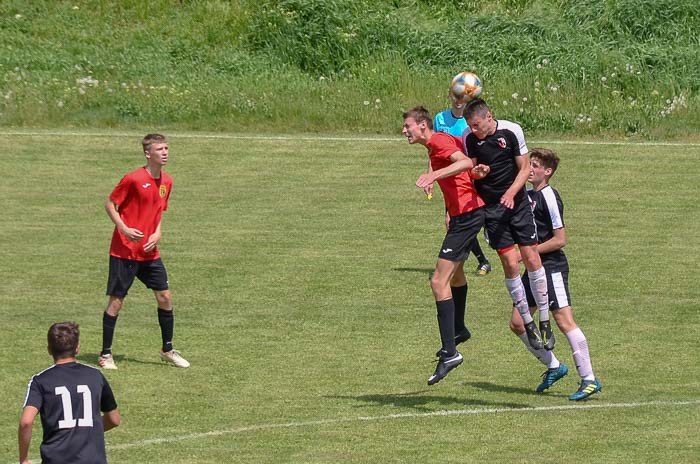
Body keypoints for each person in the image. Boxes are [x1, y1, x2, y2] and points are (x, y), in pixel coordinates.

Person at [462, 99, 554, 351]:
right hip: (493, 210)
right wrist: (477, 173)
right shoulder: (468, 138)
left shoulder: (511, 131)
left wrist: (512, 193)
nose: (474, 130)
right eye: (470, 126)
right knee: (510, 263)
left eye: (477, 125)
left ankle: (544, 319)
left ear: (489, 116)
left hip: (518, 204)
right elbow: (472, 170)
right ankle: (528, 322)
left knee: (531, 257)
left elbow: (524, 168)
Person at [510, 148, 602, 400]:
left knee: (563, 320)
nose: (530, 169)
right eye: (530, 164)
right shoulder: (527, 195)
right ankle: (554, 366)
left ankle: (589, 379)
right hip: (533, 269)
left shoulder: (549, 196)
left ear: (547, 172)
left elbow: (560, 240)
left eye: (536, 166)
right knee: (518, 323)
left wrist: (525, 254)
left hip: (551, 269)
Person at [403, 106, 486, 385]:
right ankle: (459, 329)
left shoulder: (437, 140)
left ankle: (450, 353)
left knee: (438, 282)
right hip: (463, 214)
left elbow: (463, 163)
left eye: (408, 126)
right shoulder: (435, 143)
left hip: (468, 216)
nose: (404, 131)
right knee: (457, 275)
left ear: (423, 126)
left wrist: (433, 177)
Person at [99, 133, 189, 370]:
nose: (165, 152)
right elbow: (110, 204)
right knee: (117, 301)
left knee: (165, 297)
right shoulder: (133, 179)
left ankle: (167, 349)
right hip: (124, 251)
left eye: (167, 148)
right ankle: (106, 354)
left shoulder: (167, 182)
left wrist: (158, 233)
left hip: (150, 253)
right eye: (160, 149)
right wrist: (124, 228)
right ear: (148, 153)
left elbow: (159, 213)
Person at [19, 322, 120, 464]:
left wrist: (23, 459)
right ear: (77, 348)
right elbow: (114, 419)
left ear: (49, 349)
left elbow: (26, 422)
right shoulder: (95, 376)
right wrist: (85, 430)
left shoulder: (40, 381)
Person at [433, 90, 492, 277]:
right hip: (450, 179)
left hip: (467, 177)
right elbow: (435, 151)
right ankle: (475, 262)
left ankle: (479, 261)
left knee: (459, 222)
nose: (459, 101)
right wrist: (431, 175)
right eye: (456, 96)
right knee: (453, 223)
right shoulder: (440, 118)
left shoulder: (469, 122)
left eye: (463, 97)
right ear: (449, 94)